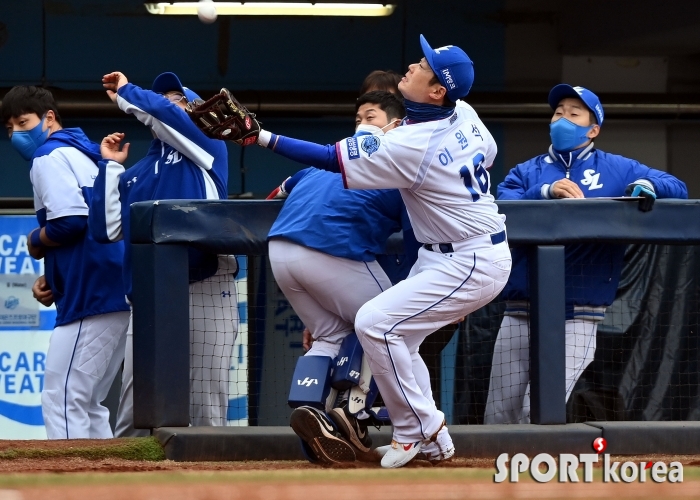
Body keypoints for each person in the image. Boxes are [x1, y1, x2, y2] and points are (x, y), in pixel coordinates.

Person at [234, 34, 511, 468]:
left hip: (469, 258)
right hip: (450, 252)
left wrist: (260, 137)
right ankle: (432, 439)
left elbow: (328, 157)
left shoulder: (412, 144)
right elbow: (488, 156)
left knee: (375, 323)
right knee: (400, 337)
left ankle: (412, 431)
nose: (414, 66)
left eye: (424, 66)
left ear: (437, 90)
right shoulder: (464, 112)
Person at [484, 84, 688, 424]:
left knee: (536, 410)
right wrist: (545, 191)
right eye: (558, 111)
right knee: (498, 413)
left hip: (579, 312)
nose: (563, 117)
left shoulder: (617, 168)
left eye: (574, 113)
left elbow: (677, 186)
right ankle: (484, 478)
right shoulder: (527, 171)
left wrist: (651, 186)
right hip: (521, 309)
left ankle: (532, 476)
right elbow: (501, 205)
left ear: (593, 129)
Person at [267, 91, 419, 464]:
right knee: (390, 323)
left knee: (331, 336)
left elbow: (273, 195)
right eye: (359, 118)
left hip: (280, 250)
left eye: (371, 116)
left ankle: (313, 416)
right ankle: (353, 414)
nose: (362, 124)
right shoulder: (401, 167)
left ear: (396, 123)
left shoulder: (321, 159)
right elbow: (421, 239)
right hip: (329, 249)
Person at [89, 71, 239, 435]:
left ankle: (216, 489)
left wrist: (127, 91)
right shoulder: (138, 173)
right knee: (136, 407)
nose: (170, 102)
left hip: (206, 282)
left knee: (206, 403)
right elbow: (106, 229)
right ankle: (129, 488)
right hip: (153, 293)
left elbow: (164, 115)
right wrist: (110, 167)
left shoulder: (207, 143)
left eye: (179, 97)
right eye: (164, 97)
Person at [1, 86, 130, 439]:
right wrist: (53, 279)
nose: (16, 133)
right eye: (9, 127)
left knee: (64, 396)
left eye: (23, 121)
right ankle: (105, 488)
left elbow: (70, 222)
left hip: (92, 291)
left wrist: (34, 242)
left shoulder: (48, 154)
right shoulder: (87, 152)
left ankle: (73, 487)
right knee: (87, 401)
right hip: (112, 286)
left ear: (50, 117)